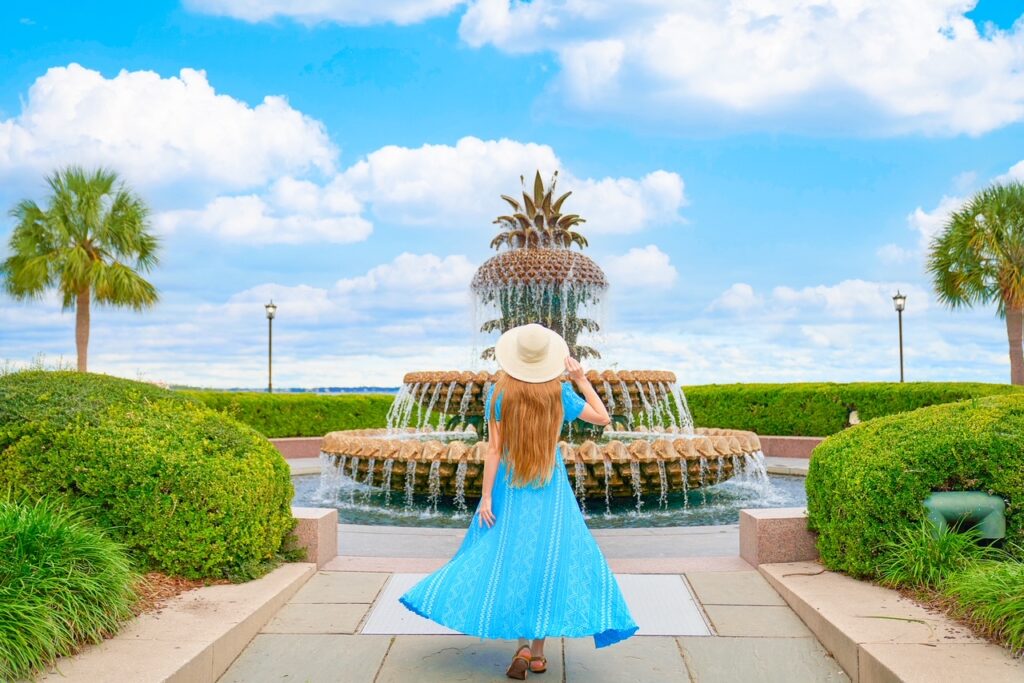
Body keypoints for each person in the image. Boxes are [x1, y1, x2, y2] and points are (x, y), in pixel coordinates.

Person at [400, 323, 638, 679]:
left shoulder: (499, 393)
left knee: (510, 559)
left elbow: (494, 450)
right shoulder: (559, 394)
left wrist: (484, 498)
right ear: (548, 359)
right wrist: (580, 378)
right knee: (546, 560)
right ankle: (538, 654)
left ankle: (522, 647)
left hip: (509, 486)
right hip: (550, 486)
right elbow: (603, 417)